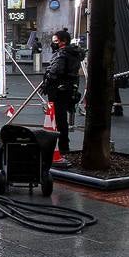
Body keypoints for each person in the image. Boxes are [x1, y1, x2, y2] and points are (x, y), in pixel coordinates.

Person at [43, 28, 83, 160]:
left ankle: (62, 146)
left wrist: (48, 77)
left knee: (59, 119)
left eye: (55, 41)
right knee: (62, 119)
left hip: (58, 90)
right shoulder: (75, 54)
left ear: (63, 41)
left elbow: (56, 71)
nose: (53, 43)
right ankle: (63, 144)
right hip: (70, 89)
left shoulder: (62, 54)